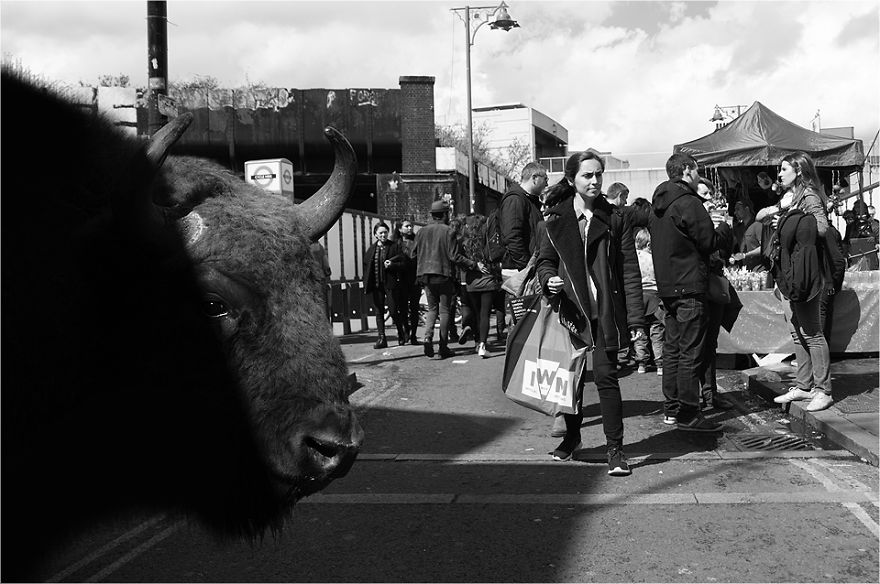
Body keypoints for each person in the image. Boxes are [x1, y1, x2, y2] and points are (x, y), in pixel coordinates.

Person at [536, 151, 645, 476]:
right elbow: (544, 261)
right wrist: (549, 279)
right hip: (570, 311)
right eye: (587, 175)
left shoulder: (615, 218)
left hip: (605, 311)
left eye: (599, 174)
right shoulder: (554, 220)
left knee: (606, 378)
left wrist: (636, 319)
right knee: (569, 380)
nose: (595, 180)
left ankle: (615, 450)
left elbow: (629, 270)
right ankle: (573, 438)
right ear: (572, 179)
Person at [649, 153, 729, 432]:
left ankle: (672, 408)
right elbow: (708, 242)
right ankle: (688, 412)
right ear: (686, 170)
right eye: (696, 170)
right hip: (690, 286)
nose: (698, 175)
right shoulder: (689, 202)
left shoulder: (659, 204)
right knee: (690, 352)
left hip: (668, 287)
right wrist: (723, 226)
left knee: (673, 350)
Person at [756, 151, 834, 412]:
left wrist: (792, 219)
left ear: (799, 171)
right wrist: (780, 213)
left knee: (812, 333)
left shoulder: (809, 196)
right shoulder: (789, 197)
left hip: (805, 273)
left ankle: (823, 390)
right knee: (796, 332)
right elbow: (760, 217)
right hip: (788, 271)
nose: (779, 174)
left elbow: (821, 228)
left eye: (784, 169)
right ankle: (804, 385)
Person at [414, 200, 474, 359]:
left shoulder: (421, 231)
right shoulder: (449, 231)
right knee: (445, 310)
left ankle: (427, 337)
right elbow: (454, 256)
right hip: (443, 274)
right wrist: (472, 264)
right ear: (445, 214)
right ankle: (442, 347)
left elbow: (413, 253)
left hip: (426, 275)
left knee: (432, 309)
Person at [696, 179, 736, 412]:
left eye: (710, 195)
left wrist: (724, 228)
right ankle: (692, 397)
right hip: (697, 287)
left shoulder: (717, 222)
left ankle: (710, 394)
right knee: (696, 344)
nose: (709, 200)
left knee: (711, 342)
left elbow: (725, 253)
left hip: (714, 286)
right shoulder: (692, 220)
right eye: (704, 195)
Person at [460, 215, 502, 358]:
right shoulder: (488, 240)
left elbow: (459, 259)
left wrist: (473, 265)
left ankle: (477, 342)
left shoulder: (465, 243)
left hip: (472, 282)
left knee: (477, 313)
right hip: (488, 280)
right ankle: (483, 345)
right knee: (485, 314)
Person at [499, 161, 548, 271]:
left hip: (527, 266)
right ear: (534, 178)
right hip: (518, 270)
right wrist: (526, 266)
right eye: (545, 179)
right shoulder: (515, 200)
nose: (547, 184)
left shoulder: (529, 200)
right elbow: (512, 236)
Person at [363, 222, 405, 349]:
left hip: (390, 284)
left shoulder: (394, 247)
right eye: (380, 233)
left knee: (393, 310)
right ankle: (382, 338)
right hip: (377, 285)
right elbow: (366, 267)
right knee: (379, 312)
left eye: (385, 232)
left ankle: (401, 332)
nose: (383, 235)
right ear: (375, 235)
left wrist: (392, 265)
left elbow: (403, 263)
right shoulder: (371, 249)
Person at [632, 228, 665, 376]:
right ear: (649, 244)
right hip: (655, 297)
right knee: (656, 333)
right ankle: (660, 364)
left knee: (640, 332)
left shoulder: (634, 259)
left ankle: (641, 364)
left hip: (638, 298)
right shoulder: (654, 259)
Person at [397, 219, 422, 345]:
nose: (410, 228)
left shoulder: (416, 241)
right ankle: (405, 330)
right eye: (406, 226)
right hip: (401, 279)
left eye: (411, 226)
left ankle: (414, 335)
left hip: (414, 278)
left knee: (414, 308)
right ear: (400, 229)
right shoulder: (396, 243)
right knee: (402, 308)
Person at [310, 240, 333, 321]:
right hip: (320, 278)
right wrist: (327, 272)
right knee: (323, 302)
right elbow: (326, 265)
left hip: (310, 279)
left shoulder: (306, 248)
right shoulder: (321, 248)